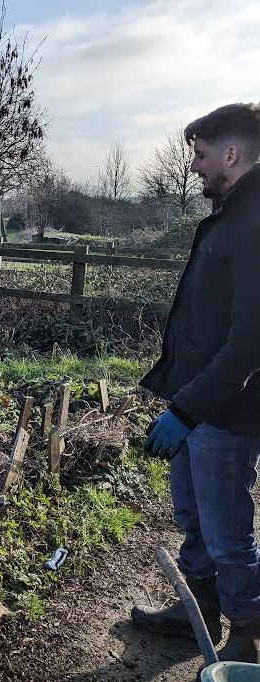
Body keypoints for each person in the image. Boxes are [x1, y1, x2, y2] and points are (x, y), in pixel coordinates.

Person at [131, 103, 260, 664]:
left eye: (201, 156)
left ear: (231, 154)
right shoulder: (231, 216)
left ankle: (247, 637)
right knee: (193, 516)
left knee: (228, 529)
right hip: (194, 404)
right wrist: (178, 401)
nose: (195, 168)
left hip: (227, 412)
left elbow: (251, 340)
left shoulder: (256, 223)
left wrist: (188, 411)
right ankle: (197, 611)